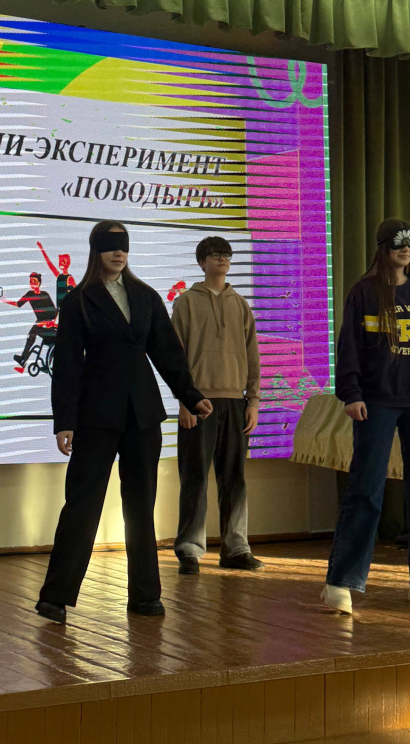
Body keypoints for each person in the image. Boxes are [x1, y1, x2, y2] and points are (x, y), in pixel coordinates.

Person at [36, 221, 212, 624]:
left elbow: (166, 351)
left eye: (123, 246)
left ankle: (146, 596)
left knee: (141, 505)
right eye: (111, 246)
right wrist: (64, 421)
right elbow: (67, 365)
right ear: (96, 250)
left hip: (143, 415)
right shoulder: (78, 301)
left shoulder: (146, 296)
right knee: (82, 504)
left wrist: (190, 394)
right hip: (95, 416)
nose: (119, 253)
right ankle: (55, 597)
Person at [323, 219, 410, 616]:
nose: (406, 249)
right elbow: (349, 347)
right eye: (399, 243)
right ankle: (341, 582)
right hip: (377, 402)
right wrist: (351, 393)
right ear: (383, 248)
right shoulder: (364, 292)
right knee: (366, 490)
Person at [172, 236, 262, 575]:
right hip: (199, 403)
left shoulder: (240, 304)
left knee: (234, 477)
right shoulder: (185, 303)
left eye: (226, 255)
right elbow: (175, 357)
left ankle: (236, 548)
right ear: (202, 262)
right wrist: (185, 400)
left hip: (235, 402)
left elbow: (252, 355)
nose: (222, 260)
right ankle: (189, 549)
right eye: (215, 255)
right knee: (194, 476)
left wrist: (253, 400)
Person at [1, 272, 58, 373]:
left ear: (39, 283)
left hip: (50, 325)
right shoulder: (30, 294)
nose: (32, 283)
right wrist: (4, 300)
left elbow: (54, 311)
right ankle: (23, 359)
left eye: (34, 281)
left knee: (35, 333)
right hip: (40, 323)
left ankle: (25, 359)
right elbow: (18, 304)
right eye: (31, 281)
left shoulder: (45, 294)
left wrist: (51, 323)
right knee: (32, 334)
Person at [37, 241, 76, 308]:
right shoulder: (59, 276)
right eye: (60, 261)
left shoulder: (69, 278)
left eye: (63, 261)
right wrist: (42, 249)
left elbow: (77, 291)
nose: (61, 263)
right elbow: (50, 264)